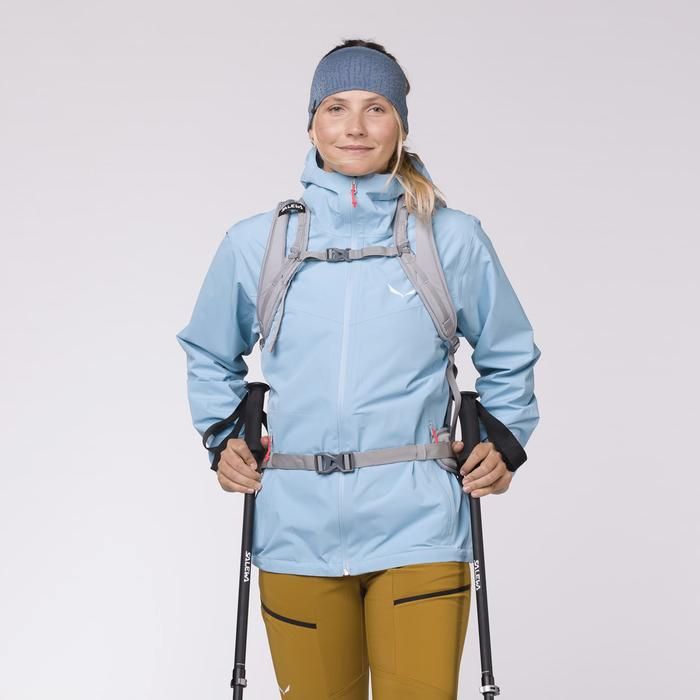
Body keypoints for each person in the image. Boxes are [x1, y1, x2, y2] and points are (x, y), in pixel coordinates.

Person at [176, 38, 541, 700]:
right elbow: (208, 350)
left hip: (421, 530)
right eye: (336, 107)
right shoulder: (258, 242)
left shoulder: (450, 238)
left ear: (400, 125)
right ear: (311, 123)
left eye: (376, 108)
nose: (354, 127)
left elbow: (509, 351)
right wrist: (223, 437)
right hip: (295, 531)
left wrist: (503, 441)